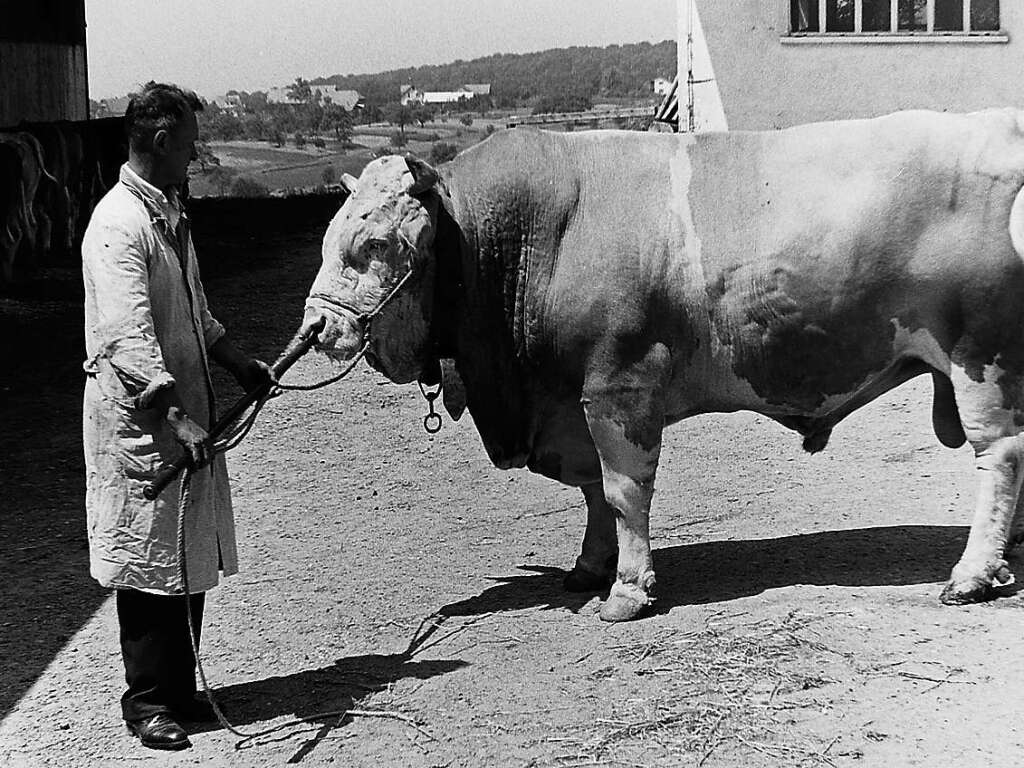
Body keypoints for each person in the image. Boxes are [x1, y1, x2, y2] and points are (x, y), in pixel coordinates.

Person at [81, 82, 271, 751]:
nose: (195, 158)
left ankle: (180, 686)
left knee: (183, 554)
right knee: (146, 562)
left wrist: (238, 361)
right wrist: (173, 417)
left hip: (181, 414)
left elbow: (196, 308)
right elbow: (125, 337)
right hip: (142, 423)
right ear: (161, 142)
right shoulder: (117, 226)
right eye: (189, 146)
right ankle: (149, 702)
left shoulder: (169, 215)